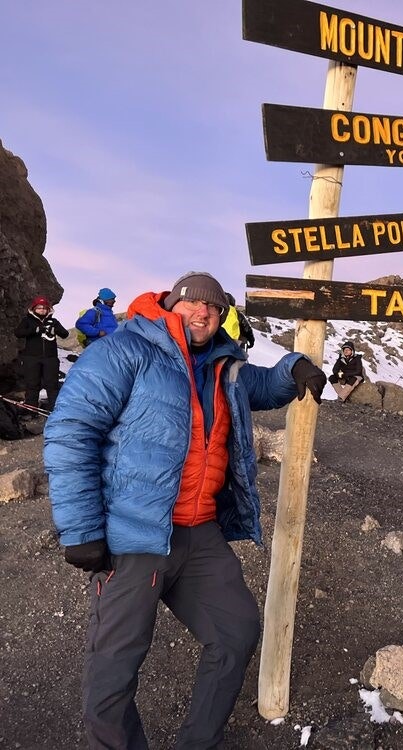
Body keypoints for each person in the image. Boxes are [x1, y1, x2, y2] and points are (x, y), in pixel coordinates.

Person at [44, 270, 328, 748]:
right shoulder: (124, 350)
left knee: (236, 631)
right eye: (194, 302)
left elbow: (263, 384)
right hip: (134, 535)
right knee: (114, 667)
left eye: (214, 307)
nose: (204, 312)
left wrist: (296, 367)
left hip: (199, 534)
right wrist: (80, 529)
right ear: (172, 303)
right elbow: (72, 430)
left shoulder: (223, 365)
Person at [14, 296, 68, 415]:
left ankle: (55, 411)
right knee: (32, 384)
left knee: (52, 385)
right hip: (31, 358)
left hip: (50, 358)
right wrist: (36, 330)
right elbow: (18, 333)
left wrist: (55, 329)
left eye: (44, 308)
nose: (42, 310)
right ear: (34, 309)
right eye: (39, 308)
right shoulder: (27, 320)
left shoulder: (54, 321)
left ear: (48, 309)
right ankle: (31, 410)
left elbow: (65, 334)